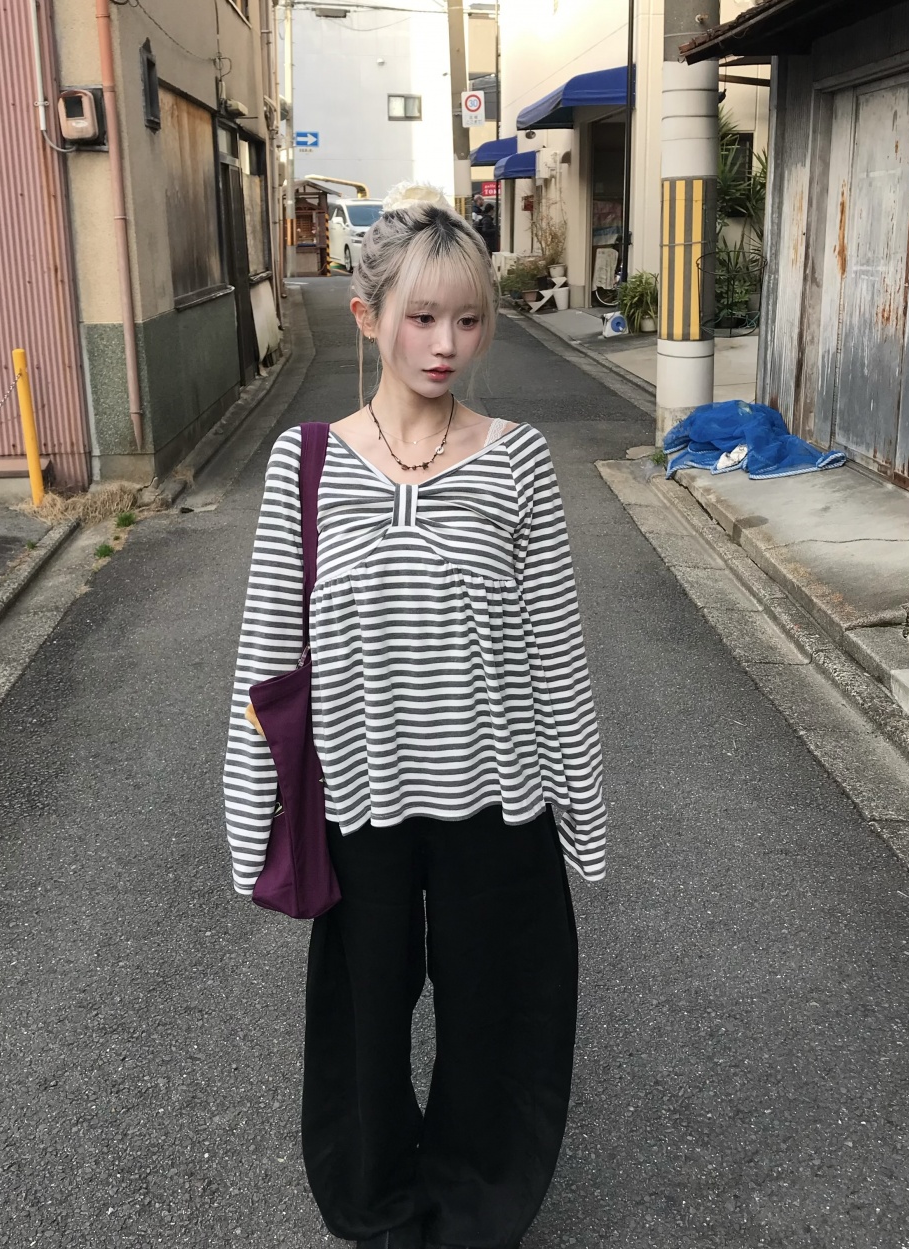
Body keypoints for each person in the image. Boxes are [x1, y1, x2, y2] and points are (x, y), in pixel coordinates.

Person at [223, 182, 606, 1249]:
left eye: (469, 319)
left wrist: (583, 812)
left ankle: (479, 1201)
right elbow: (266, 657)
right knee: (363, 1025)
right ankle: (379, 1200)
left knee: (499, 1018)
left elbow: (557, 653)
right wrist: (249, 815)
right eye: (422, 317)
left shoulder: (519, 461)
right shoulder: (304, 465)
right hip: (361, 803)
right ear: (367, 315)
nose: (446, 345)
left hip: (500, 801)